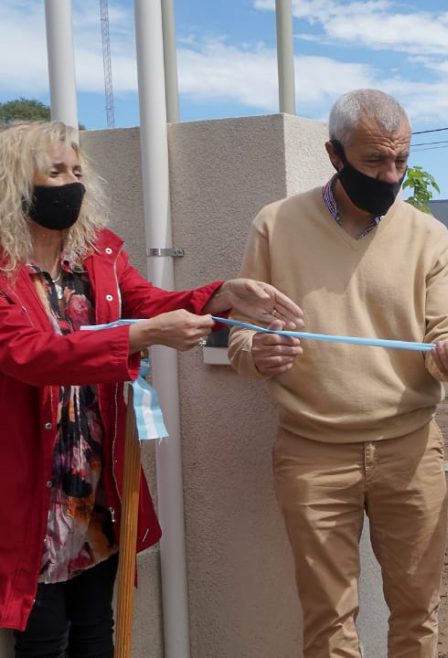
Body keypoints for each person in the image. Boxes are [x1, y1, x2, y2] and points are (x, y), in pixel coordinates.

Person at [0, 121, 304, 656]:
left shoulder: (98, 256)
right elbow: (29, 354)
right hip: (28, 494)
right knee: (42, 640)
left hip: (94, 489)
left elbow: (152, 303)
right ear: (15, 184)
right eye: (55, 172)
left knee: (97, 632)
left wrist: (222, 295)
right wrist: (139, 336)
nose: (71, 183)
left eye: (76, 171)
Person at [227, 89, 448, 658]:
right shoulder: (275, 225)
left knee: (418, 610)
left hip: (410, 451)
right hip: (312, 453)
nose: (390, 175)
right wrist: (256, 352)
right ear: (334, 154)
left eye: (401, 161)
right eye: (374, 161)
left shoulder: (428, 235)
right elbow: (240, 336)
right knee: (328, 619)